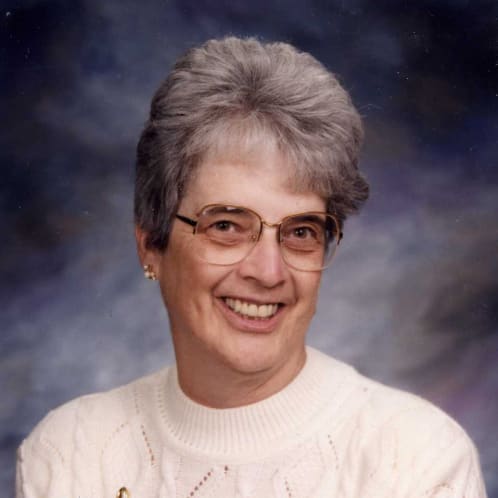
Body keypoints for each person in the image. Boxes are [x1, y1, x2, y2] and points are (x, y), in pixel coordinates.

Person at [16, 36, 487, 498]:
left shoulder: (416, 460)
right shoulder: (71, 454)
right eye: (226, 225)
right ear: (151, 246)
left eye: (301, 232)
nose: (268, 272)